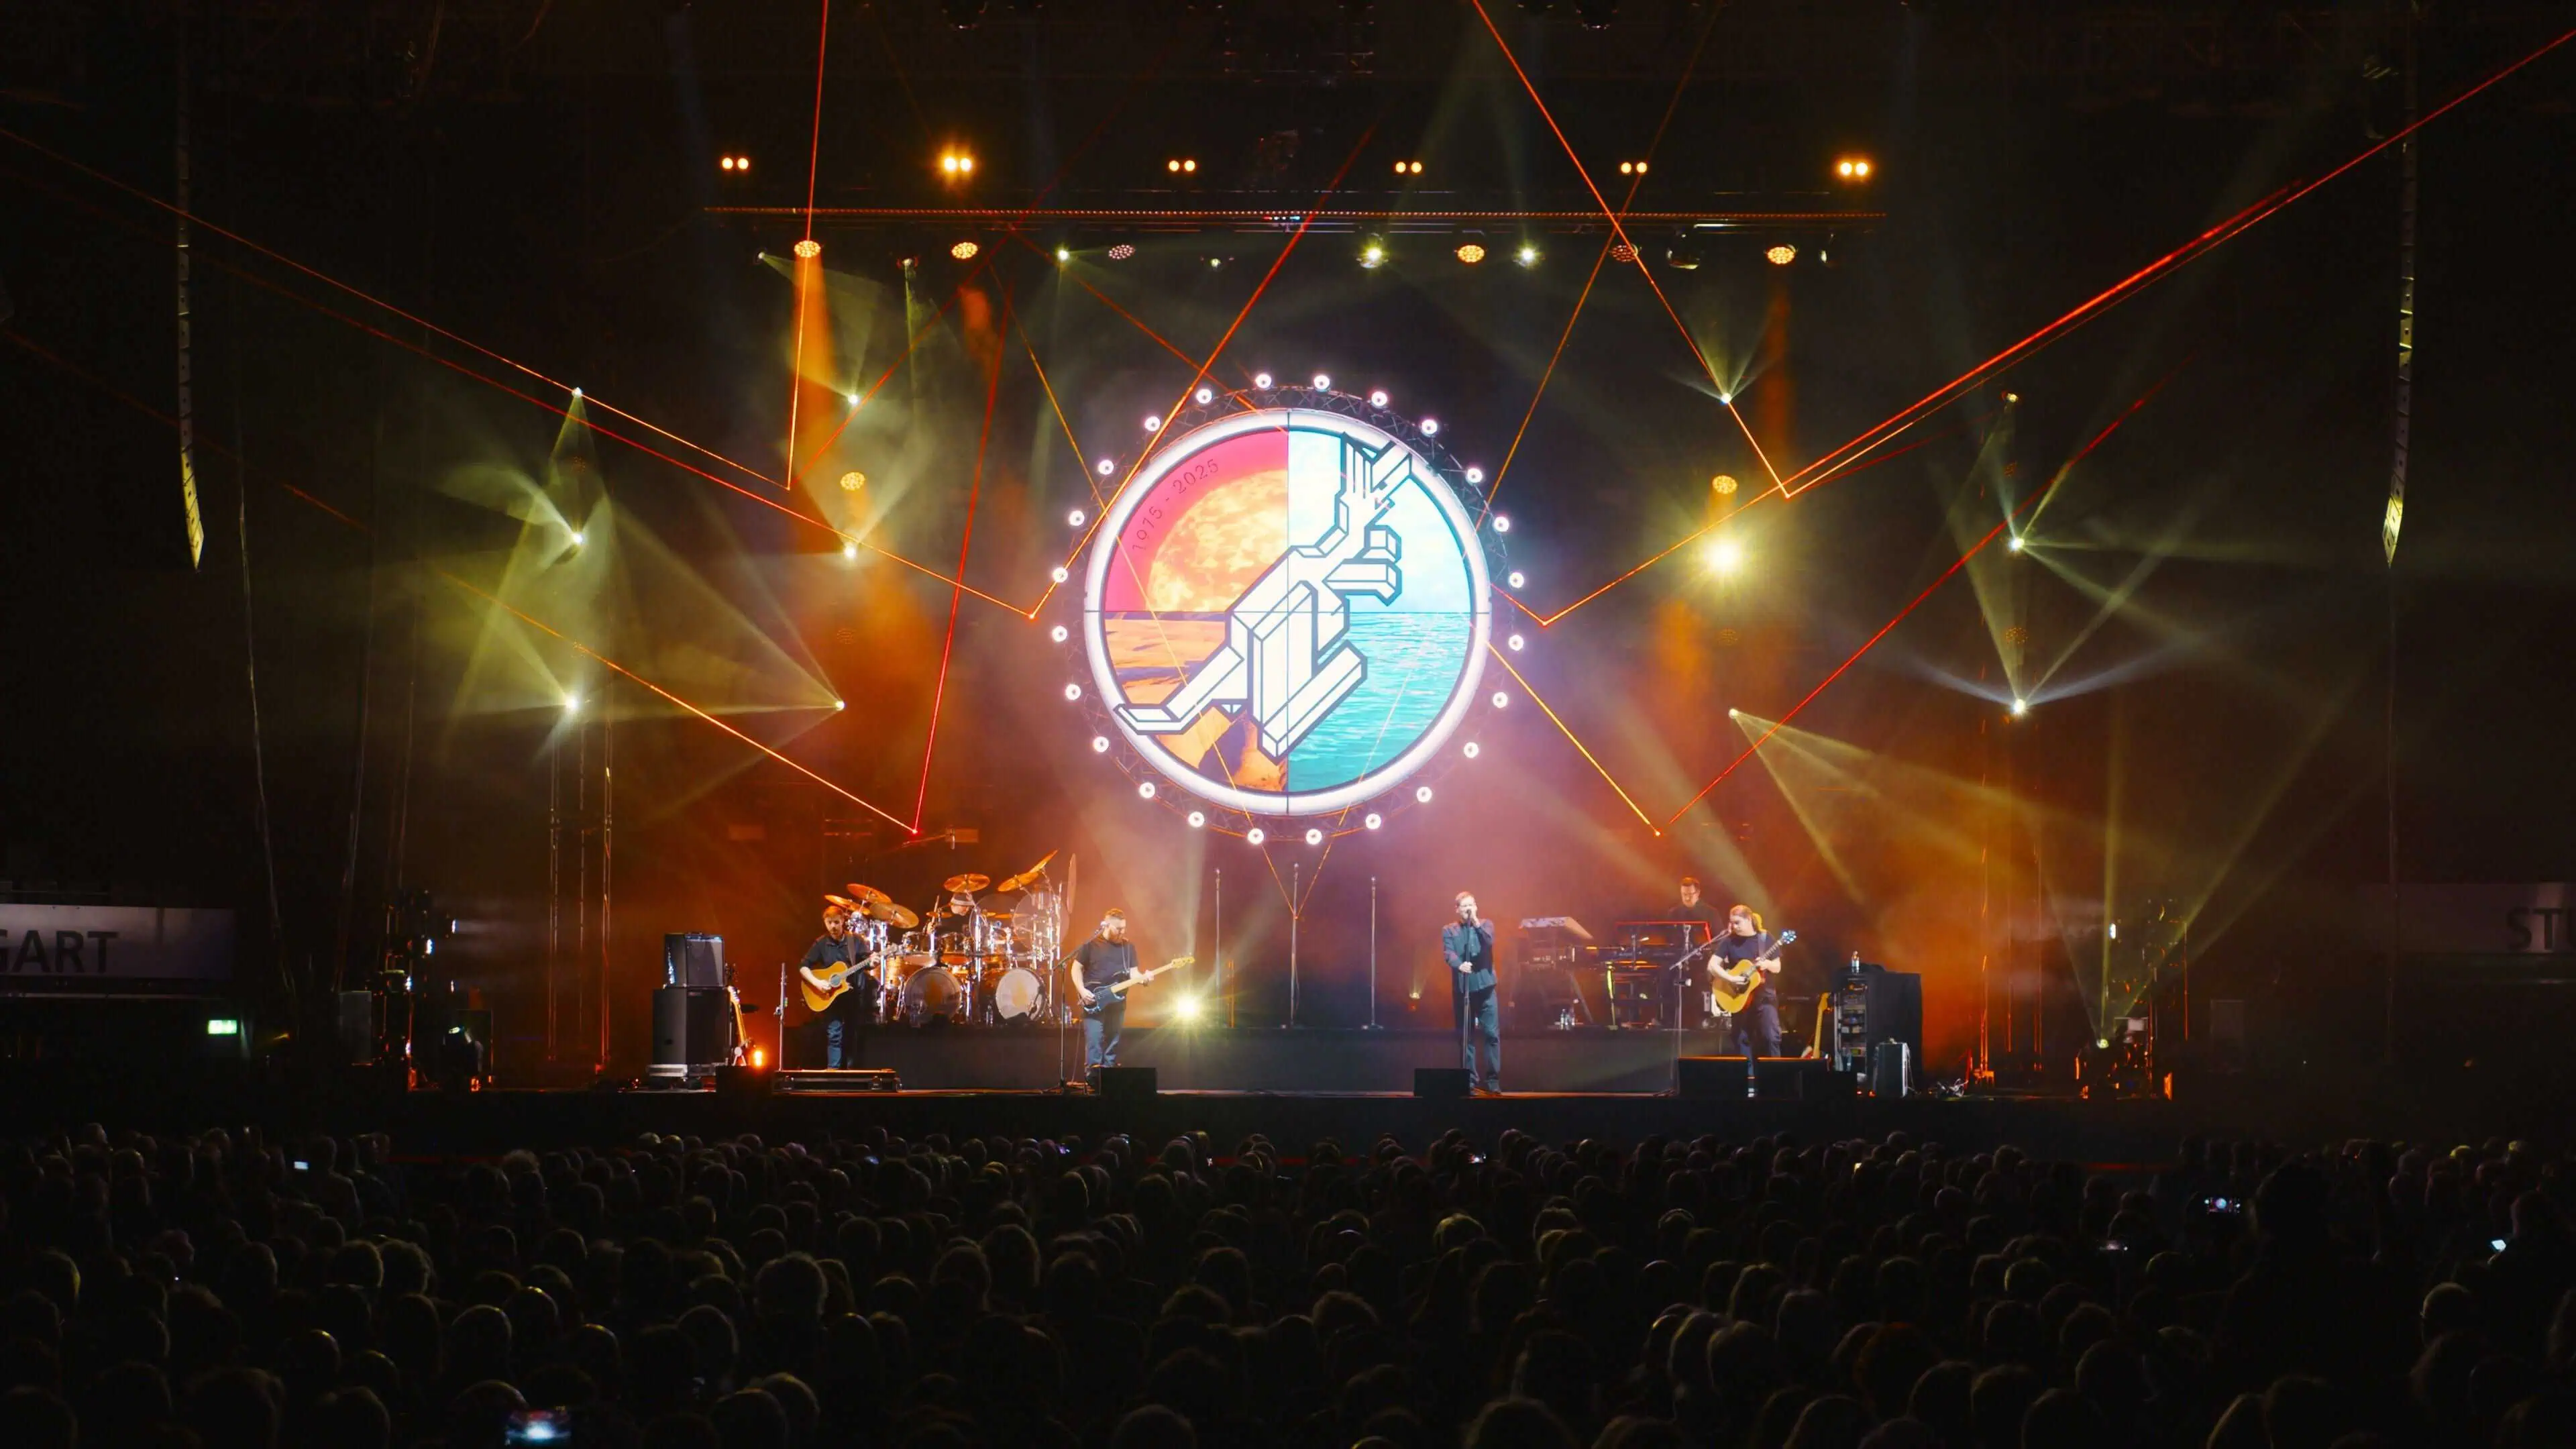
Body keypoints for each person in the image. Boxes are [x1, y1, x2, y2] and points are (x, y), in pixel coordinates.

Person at [796, 904, 875, 1069]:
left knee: (852, 1033)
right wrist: (818, 983)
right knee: (834, 1033)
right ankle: (833, 1070)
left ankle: (851, 1072)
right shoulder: (821, 943)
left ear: (843, 921)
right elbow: (803, 966)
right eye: (829, 923)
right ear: (825, 923)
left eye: (836, 922)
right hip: (832, 997)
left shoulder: (855, 941)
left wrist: (874, 962)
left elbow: (868, 963)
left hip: (852, 995)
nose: (833, 926)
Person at [1709, 903, 1783, 1071]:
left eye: (1738, 923)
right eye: (1732, 923)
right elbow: (1712, 965)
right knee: (1742, 1039)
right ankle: (1747, 1079)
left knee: (1771, 1037)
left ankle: (1776, 1077)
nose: (1734, 926)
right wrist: (1731, 978)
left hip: (1765, 998)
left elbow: (1777, 967)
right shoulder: (1730, 941)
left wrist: (1767, 964)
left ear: (1749, 919)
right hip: (1740, 999)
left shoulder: (1765, 938)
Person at [1070, 908, 1140, 1081]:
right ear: (1106, 926)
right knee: (1094, 1043)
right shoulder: (1090, 945)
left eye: (1124, 928)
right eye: (1118, 929)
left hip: (1117, 1002)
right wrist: (1082, 990)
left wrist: (1144, 978)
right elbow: (1076, 968)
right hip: (1094, 1001)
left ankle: (1109, 1082)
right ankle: (1093, 1083)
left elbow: (1134, 973)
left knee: (1112, 1045)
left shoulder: (1128, 947)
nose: (1122, 932)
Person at [1444, 892, 1501, 1095]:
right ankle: (1469, 1082)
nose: (1469, 909)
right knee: (1466, 1037)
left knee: (1492, 1035)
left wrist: (1476, 923)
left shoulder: (1486, 925)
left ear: (1476, 907)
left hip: (1486, 989)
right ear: (1457, 909)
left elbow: (1489, 942)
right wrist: (1459, 965)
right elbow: (1448, 953)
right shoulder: (1449, 930)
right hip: (1464, 990)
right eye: (1464, 906)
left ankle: (1493, 1081)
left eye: (1472, 905)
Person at [1670, 876, 1725, 1027]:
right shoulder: (1674, 913)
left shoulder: (1711, 913)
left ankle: (1702, 1020)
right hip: (1679, 960)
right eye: (1684, 895)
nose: (1687, 898)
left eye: (1690, 894)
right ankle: (1670, 1020)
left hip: (1703, 961)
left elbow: (1721, 939)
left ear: (1698, 893)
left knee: (1700, 986)